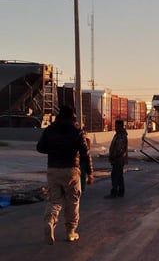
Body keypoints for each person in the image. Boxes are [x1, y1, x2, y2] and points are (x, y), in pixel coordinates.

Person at [37, 105, 94, 245]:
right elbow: (85, 153)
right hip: (71, 170)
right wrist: (90, 173)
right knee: (72, 201)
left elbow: (40, 147)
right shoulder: (77, 131)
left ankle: (50, 221)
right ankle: (70, 232)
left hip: (53, 169)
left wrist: (55, 150)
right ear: (72, 116)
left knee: (54, 200)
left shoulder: (50, 129)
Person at [105, 119, 128, 199]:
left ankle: (114, 192)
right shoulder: (118, 134)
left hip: (118, 159)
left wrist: (113, 157)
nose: (115, 127)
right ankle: (121, 191)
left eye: (117, 126)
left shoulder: (121, 136)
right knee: (119, 176)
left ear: (121, 126)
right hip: (118, 159)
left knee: (115, 175)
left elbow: (119, 149)